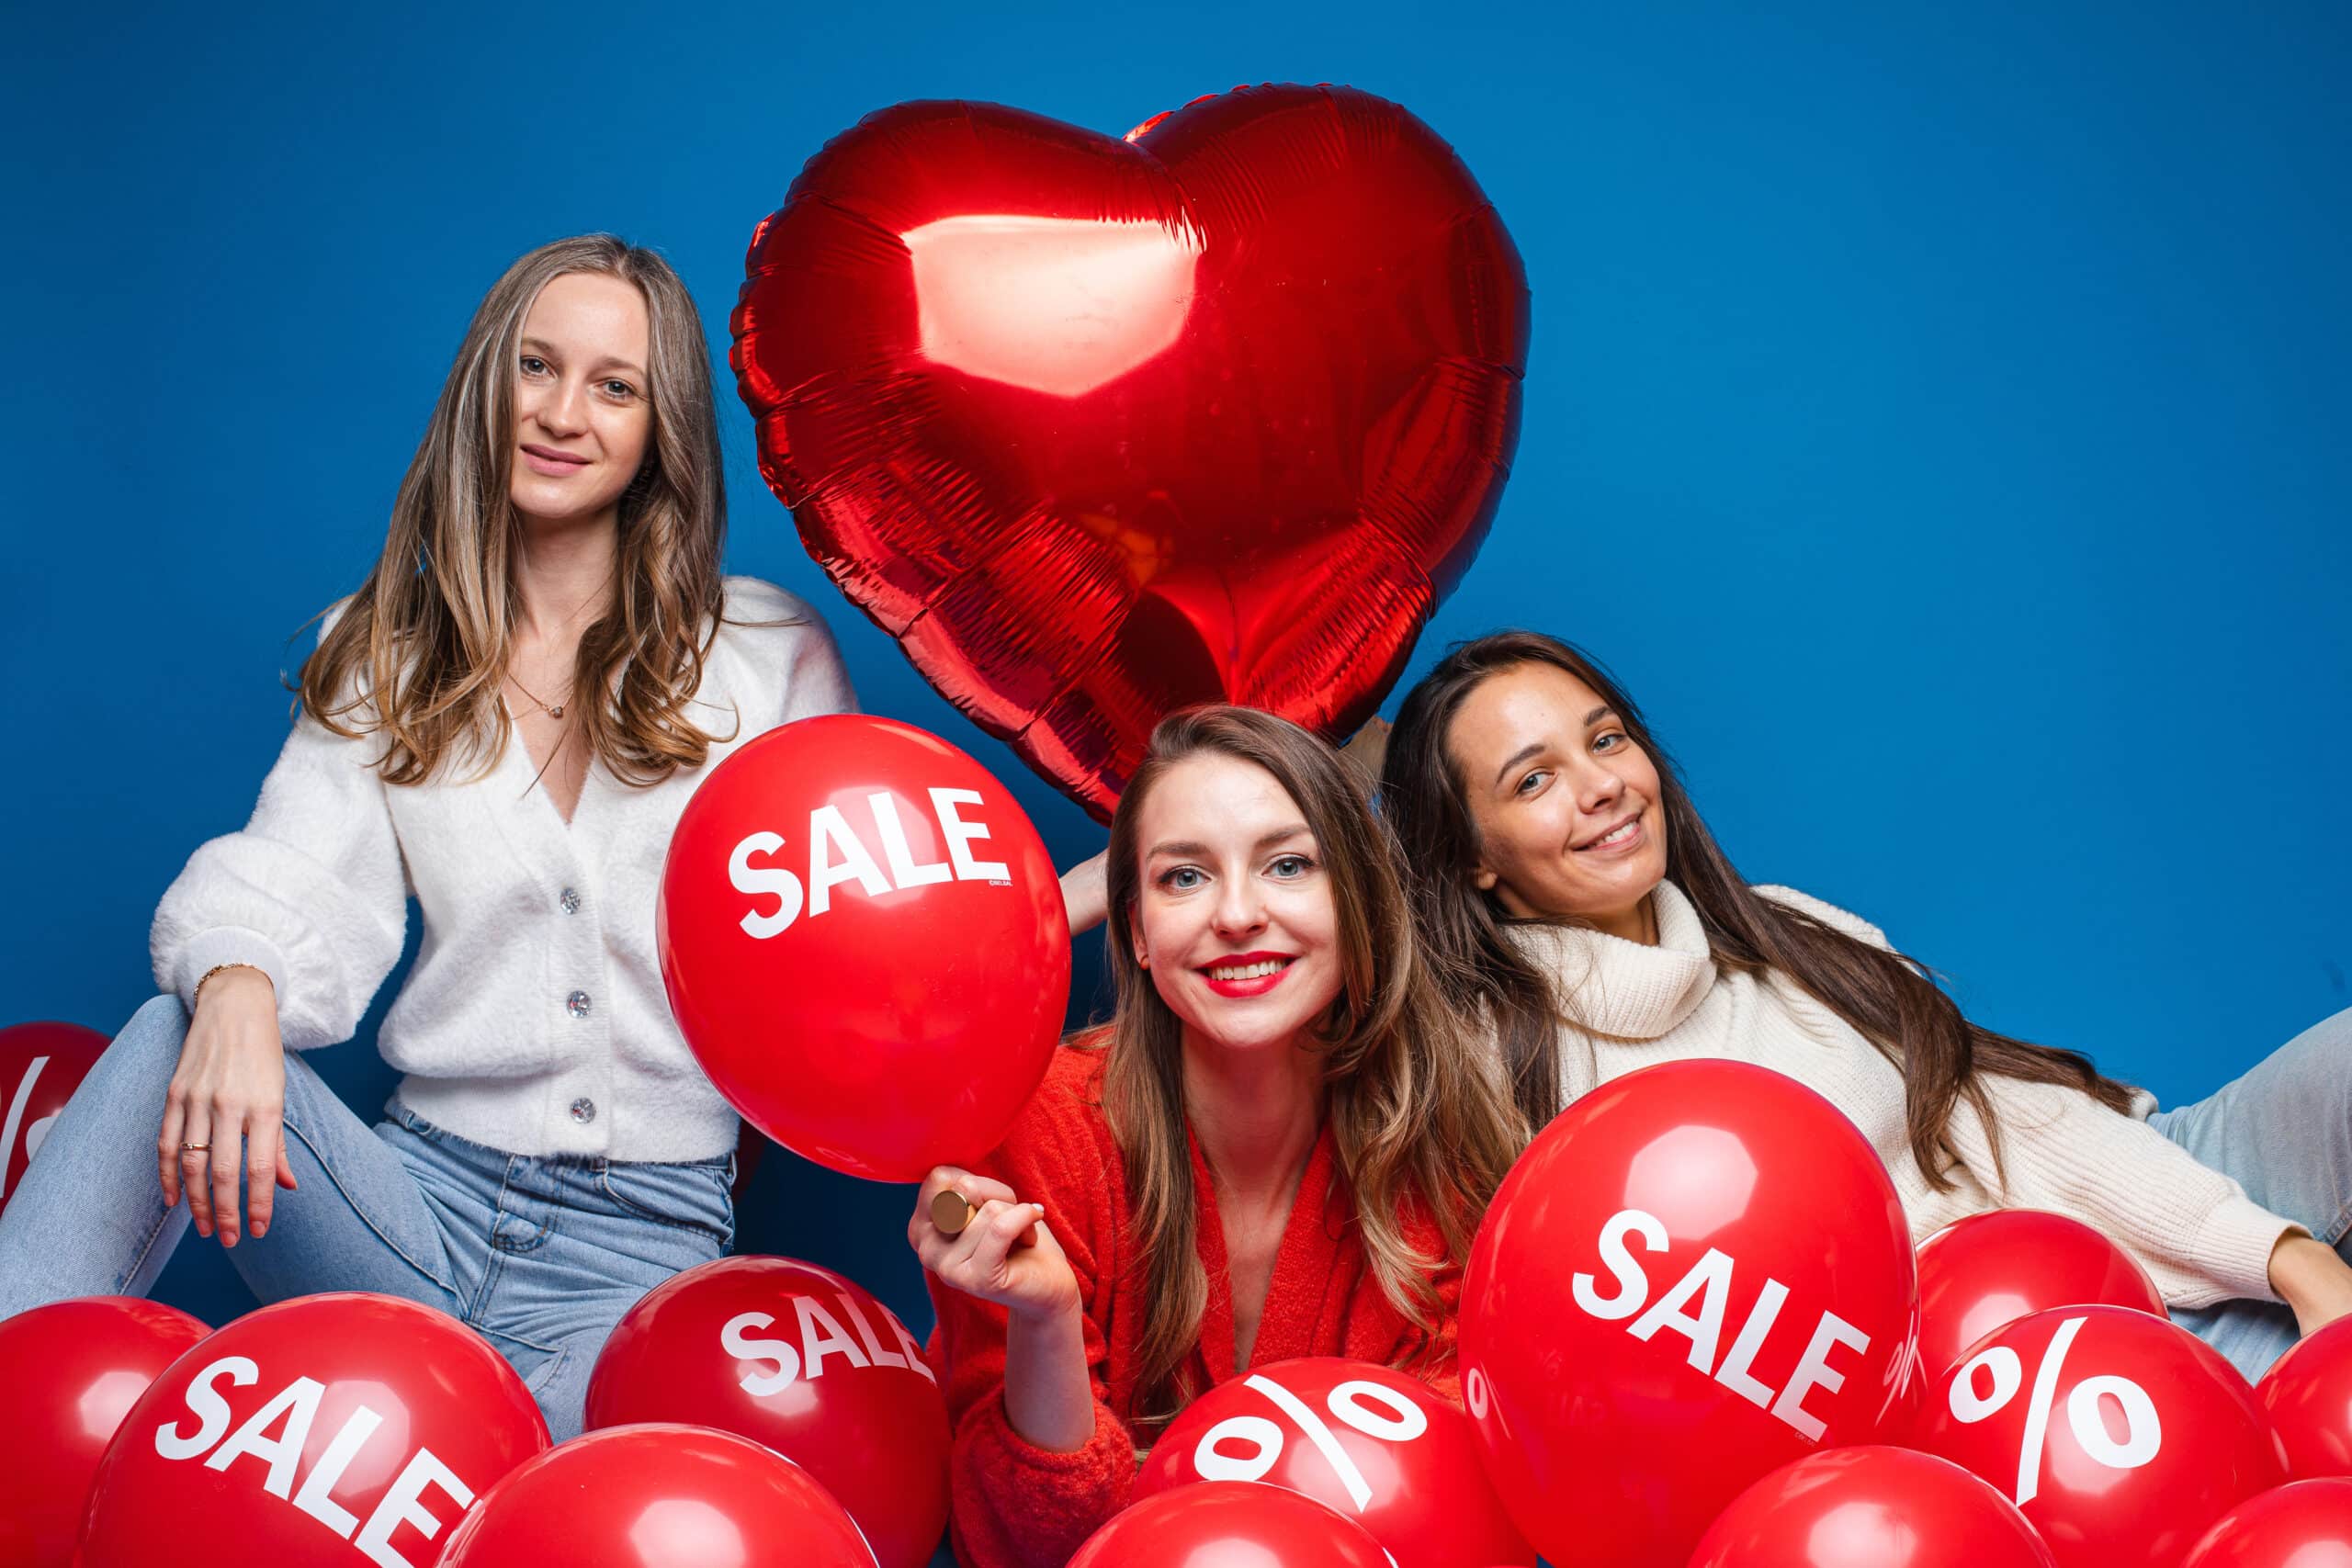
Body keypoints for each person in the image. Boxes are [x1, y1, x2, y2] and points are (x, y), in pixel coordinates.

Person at [0, 234, 855, 1437]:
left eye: (613, 385)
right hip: (405, 1212)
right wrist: (238, 982)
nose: (562, 414)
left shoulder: (768, 654)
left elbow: (856, 918)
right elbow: (293, 869)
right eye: (535, 367)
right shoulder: (390, 647)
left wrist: (1056, 908)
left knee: (558, 1495)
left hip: (637, 1269)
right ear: (486, 383)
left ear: (660, 425)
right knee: (170, 1029)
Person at [1378, 628, 2352, 1380]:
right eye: (1535, 778)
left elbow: (2006, 1114)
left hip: (2133, 1193)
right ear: (1470, 855)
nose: (1601, 787)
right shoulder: (1498, 1073)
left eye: (1607, 739)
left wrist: (2284, 1257)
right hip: (2013, 1362)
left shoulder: (1781, 928)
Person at [910, 706, 1522, 1568]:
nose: (1237, 914)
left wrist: (1156, 1479)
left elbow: (1454, 1509)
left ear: (1358, 901)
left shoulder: (1441, 1140)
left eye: (1287, 864)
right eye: (1185, 877)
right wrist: (1043, 1320)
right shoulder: (1038, 1127)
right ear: (1138, 933)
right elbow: (1022, 1543)